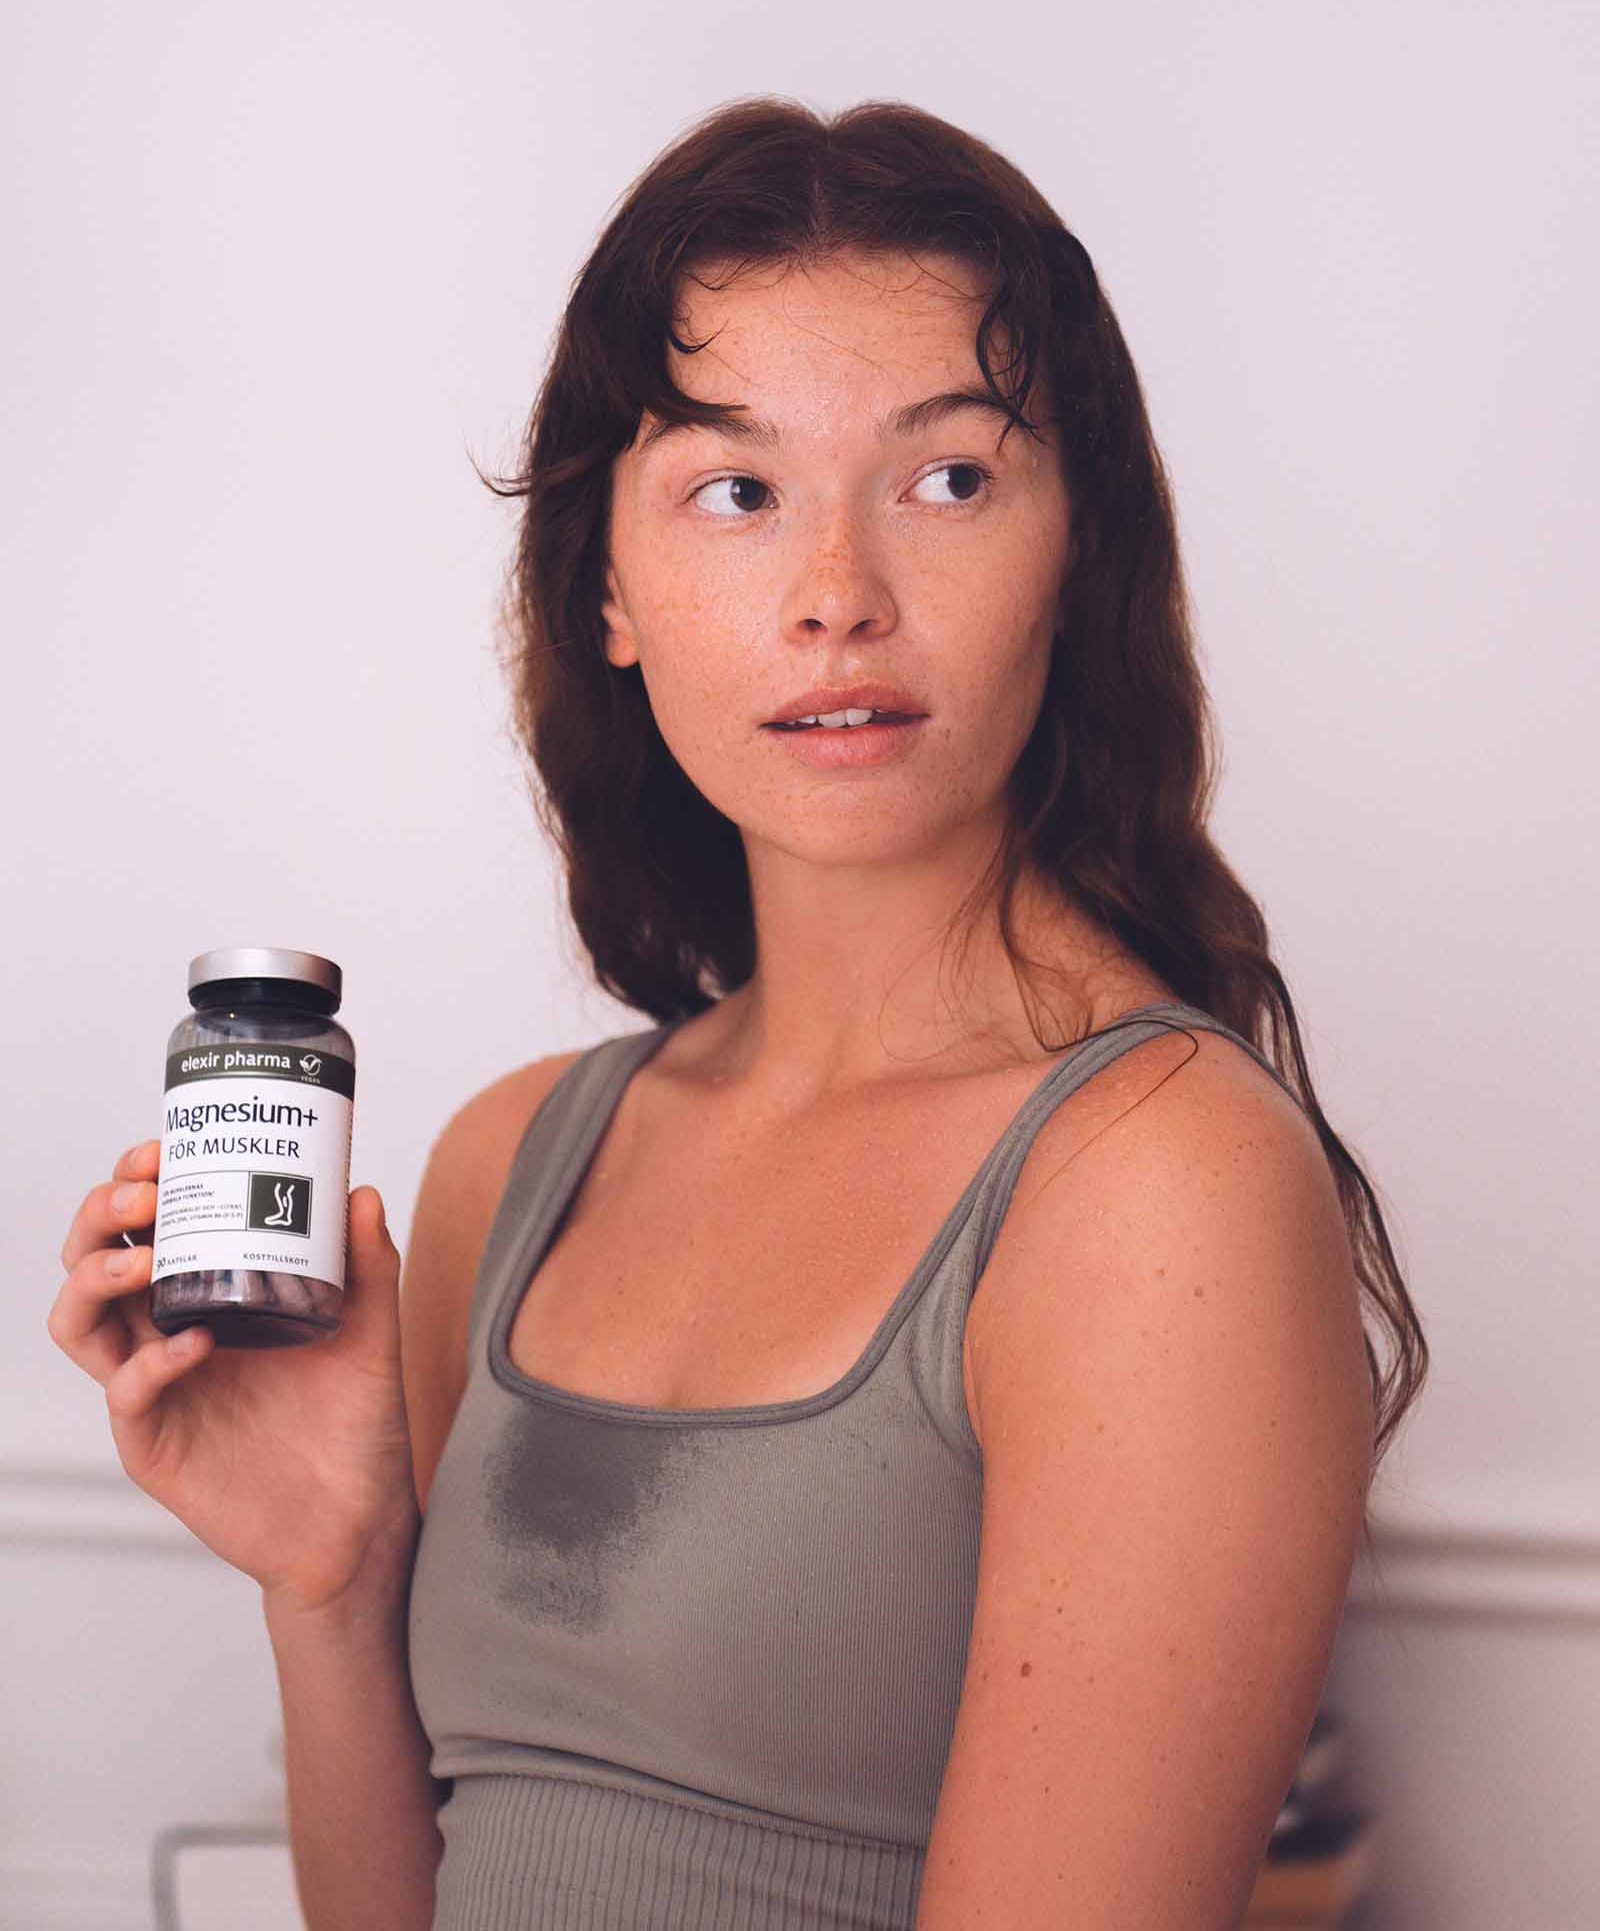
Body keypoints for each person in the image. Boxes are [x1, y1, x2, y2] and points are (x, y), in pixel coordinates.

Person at [51, 96, 1426, 1931]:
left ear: (1077, 551)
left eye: (950, 479)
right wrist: (332, 1578)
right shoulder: (510, 1164)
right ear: (610, 589)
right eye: (736, 491)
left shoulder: (1160, 1181)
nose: (839, 598)